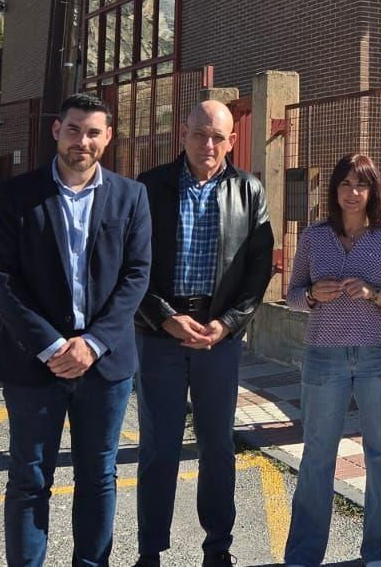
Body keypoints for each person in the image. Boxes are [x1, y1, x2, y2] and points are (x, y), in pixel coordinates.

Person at [0, 93, 153, 567]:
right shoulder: (18, 195)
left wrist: (93, 343)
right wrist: (53, 345)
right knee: (29, 478)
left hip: (105, 366)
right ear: (57, 130)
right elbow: (1, 278)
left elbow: (137, 275)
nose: (84, 141)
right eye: (75, 129)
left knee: (98, 476)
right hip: (33, 361)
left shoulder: (130, 195)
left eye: (94, 132)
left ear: (108, 137)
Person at [132, 100, 273, 567]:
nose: (208, 144)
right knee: (159, 448)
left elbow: (257, 268)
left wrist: (227, 323)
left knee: (218, 447)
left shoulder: (249, 191)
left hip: (218, 338)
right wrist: (164, 317)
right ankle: (150, 550)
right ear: (183, 133)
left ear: (233, 141)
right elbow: (131, 266)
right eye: (200, 134)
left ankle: (218, 549)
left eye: (218, 136)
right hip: (160, 334)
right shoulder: (150, 187)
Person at [285, 153, 381, 567]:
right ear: (334, 190)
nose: (352, 193)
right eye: (344, 184)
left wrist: (374, 294)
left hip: (379, 358)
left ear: (373, 191)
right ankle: (305, 555)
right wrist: (310, 296)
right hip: (324, 358)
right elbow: (291, 295)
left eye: (360, 185)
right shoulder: (313, 236)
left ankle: (379, 553)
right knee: (317, 456)